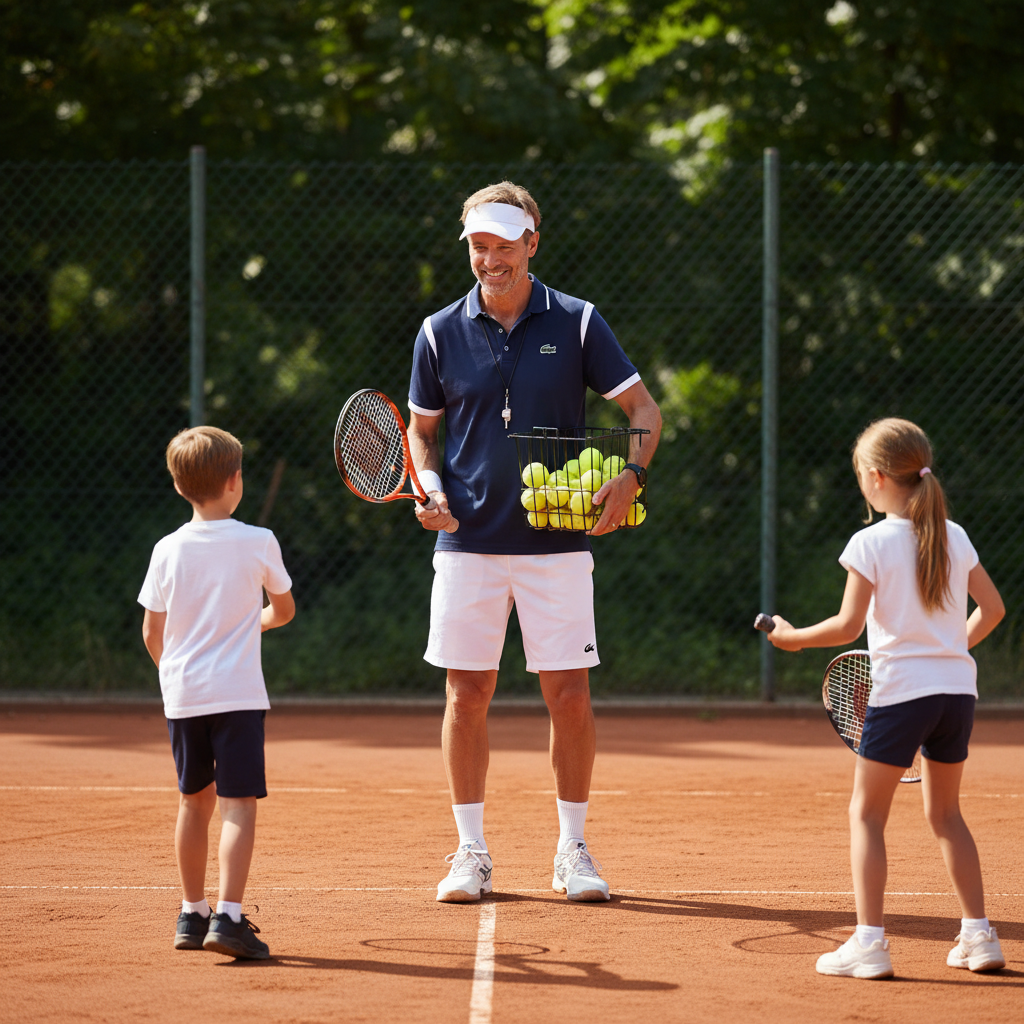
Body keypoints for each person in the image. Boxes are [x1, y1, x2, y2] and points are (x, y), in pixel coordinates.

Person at [406, 181, 662, 904]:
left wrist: (632, 476)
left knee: (570, 696)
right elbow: (422, 435)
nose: (489, 259)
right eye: (478, 246)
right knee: (466, 695)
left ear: (531, 244)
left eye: (502, 245)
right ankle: (470, 852)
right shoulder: (437, 332)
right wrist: (430, 488)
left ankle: (572, 850)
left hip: (557, 546)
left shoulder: (578, 322)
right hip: (467, 546)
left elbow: (643, 408)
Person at [767, 417, 1006, 979]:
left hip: (901, 693)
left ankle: (869, 944)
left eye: (859, 476)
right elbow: (993, 610)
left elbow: (848, 626)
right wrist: (948, 648)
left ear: (876, 476)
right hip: (957, 693)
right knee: (947, 815)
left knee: (866, 814)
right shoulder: (954, 534)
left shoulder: (869, 541)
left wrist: (792, 638)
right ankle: (980, 937)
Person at [138, 426, 295, 958]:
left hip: (184, 696)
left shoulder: (166, 549)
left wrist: (176, 675)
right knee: (238, 806)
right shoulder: (259, 541)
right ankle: (228, 919)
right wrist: (255, 622)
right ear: (234, 481)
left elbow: (152, 633)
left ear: (178, 485)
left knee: (193, 802)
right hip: (238, 697)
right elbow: (284, 610)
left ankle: (192, 913)